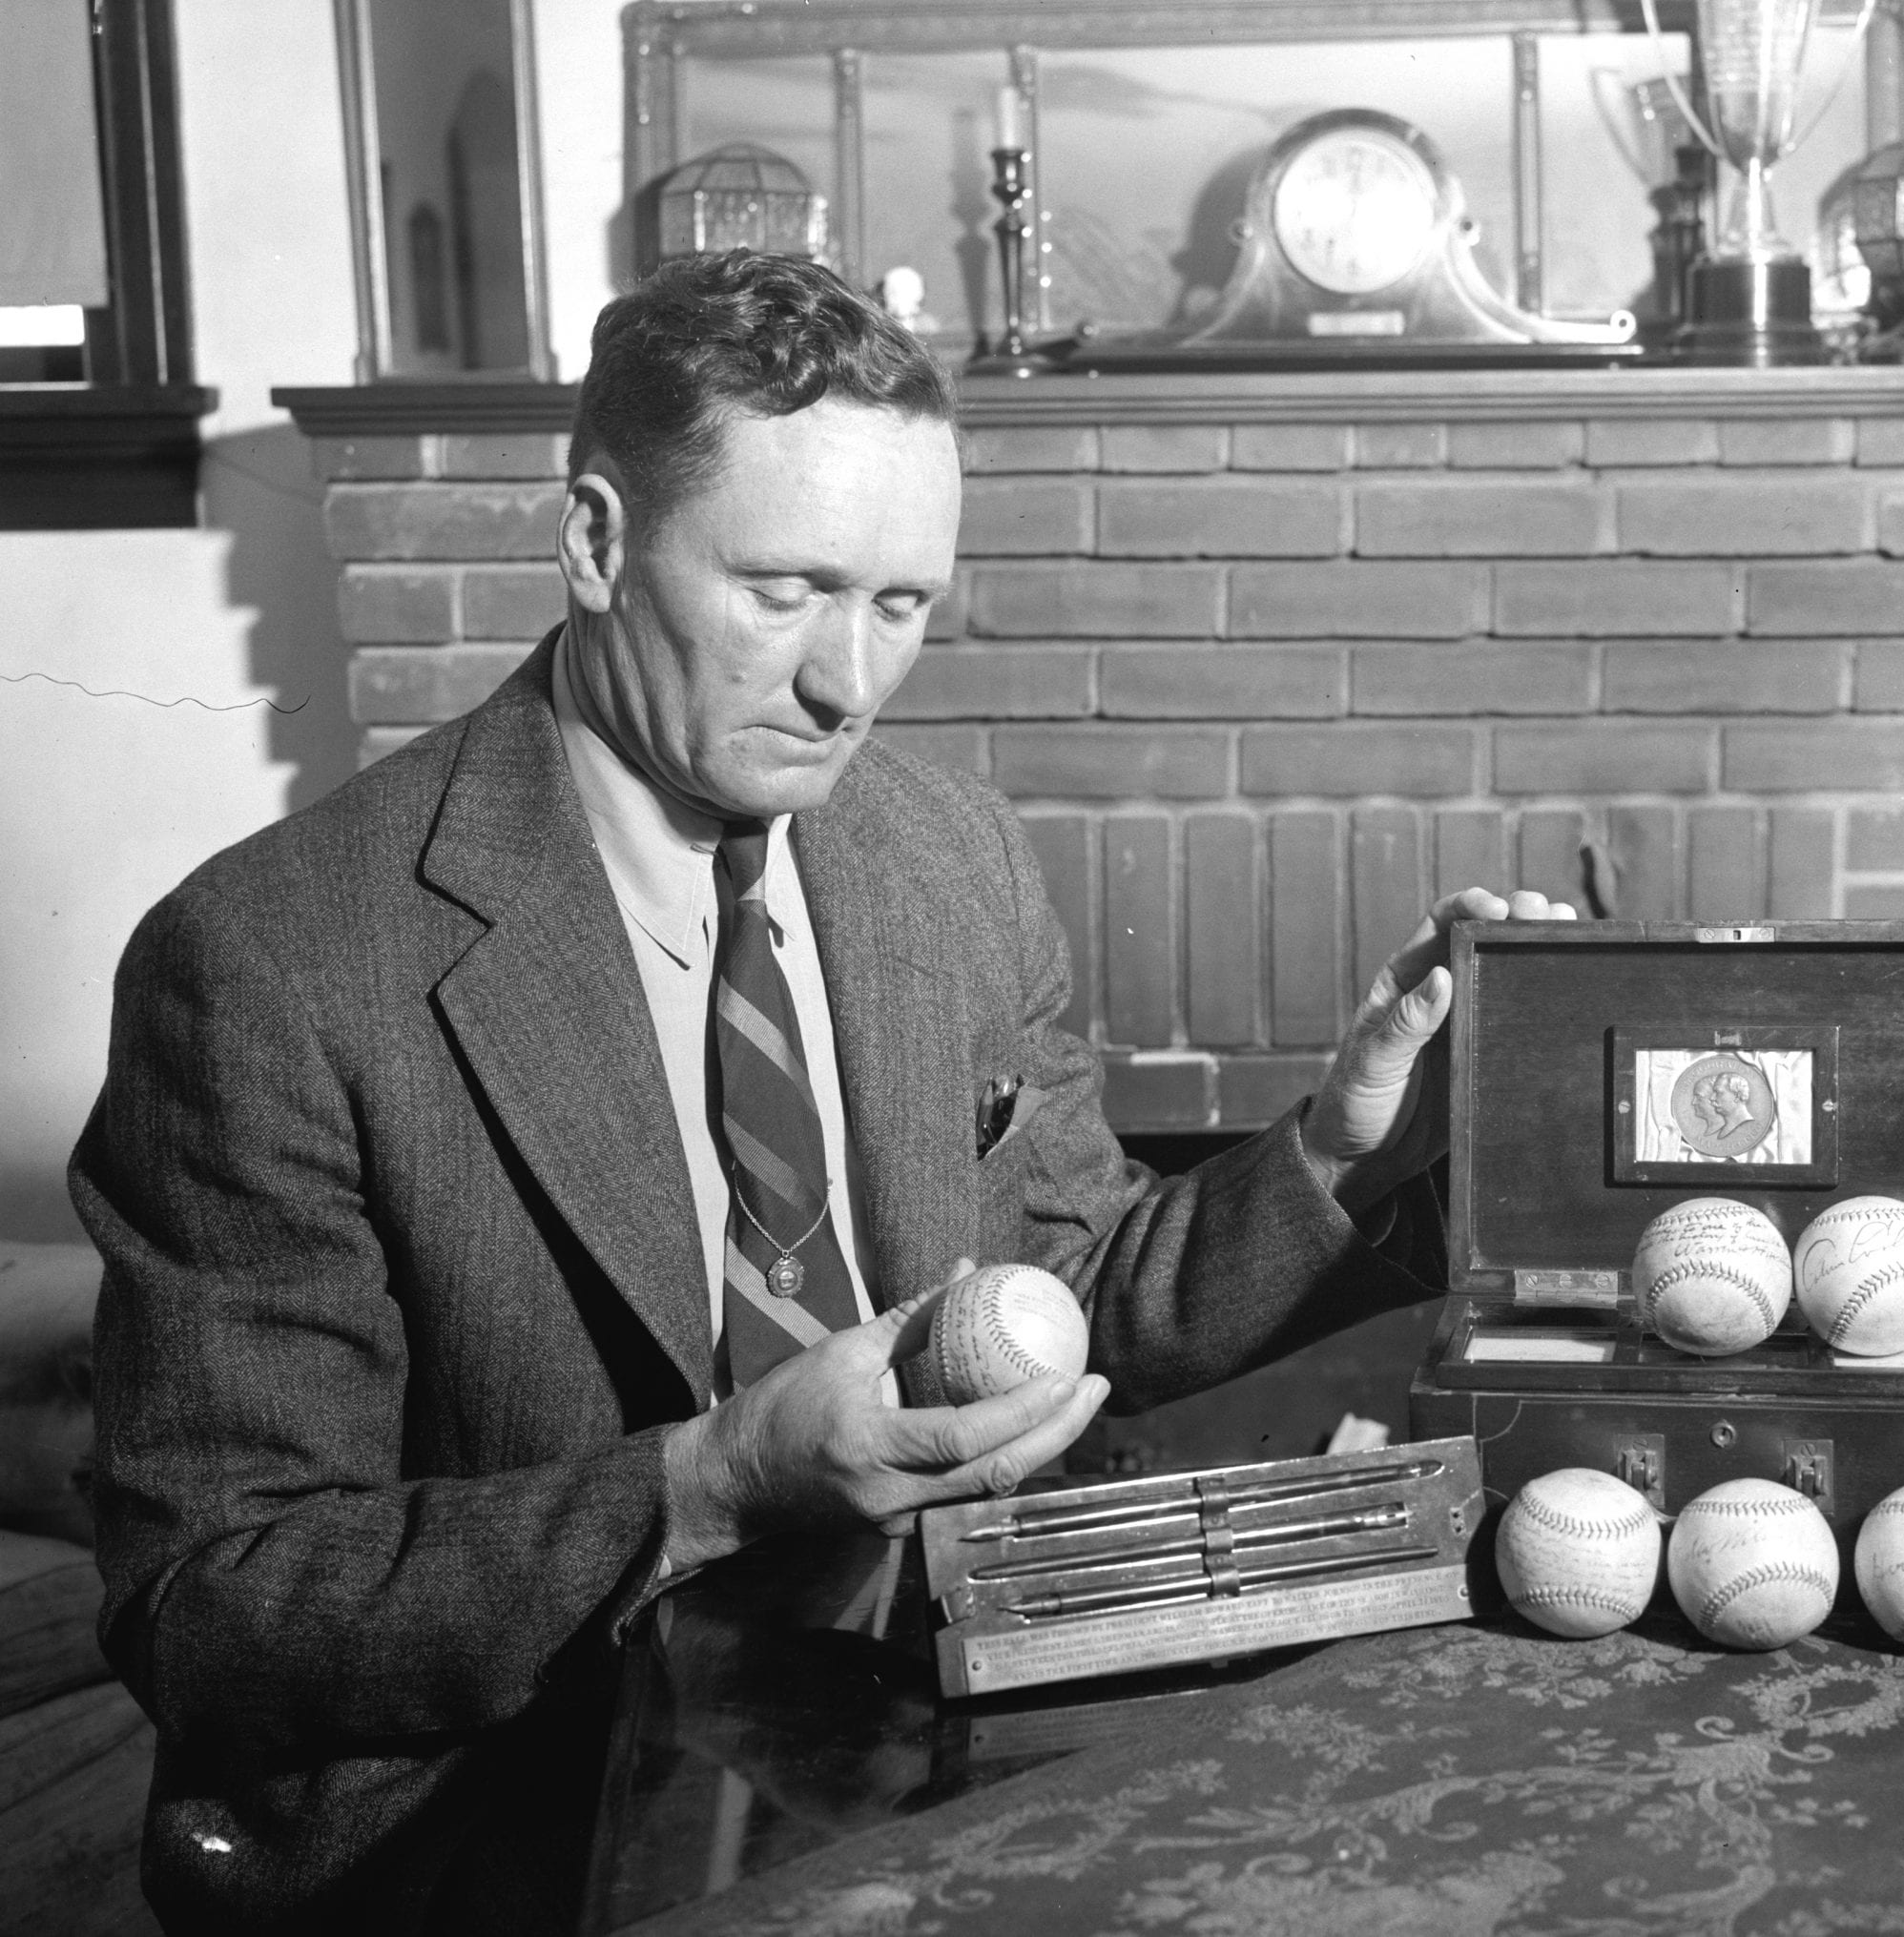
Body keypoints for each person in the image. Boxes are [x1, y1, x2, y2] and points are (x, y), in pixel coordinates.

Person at [69, 250, 1572, 1933]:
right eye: (785, 590)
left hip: (926, 1719)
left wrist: (1344, 1147)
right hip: (510, 1818)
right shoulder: (271, 961)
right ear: (594, 542)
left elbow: (1078, 1298)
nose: (849, 684)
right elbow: (217, 1603)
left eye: (900, 606)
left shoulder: (949, 858)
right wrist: (714, 1481)